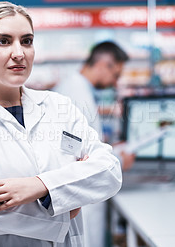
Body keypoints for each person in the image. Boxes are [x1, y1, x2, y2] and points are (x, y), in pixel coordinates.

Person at [0, 1, 122, 247]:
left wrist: (39, 186)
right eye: (4, 41)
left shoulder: (60, 107)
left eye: (26, 41)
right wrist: (65, 206)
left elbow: (109, 171)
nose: (19, 53)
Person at [52, 41, 134, 247]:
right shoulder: (76, 94)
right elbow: (81, 157)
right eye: (115, 75)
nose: (115, 82)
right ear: (104, 63)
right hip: (80, 199)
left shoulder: (74, 87)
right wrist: (119, 159)